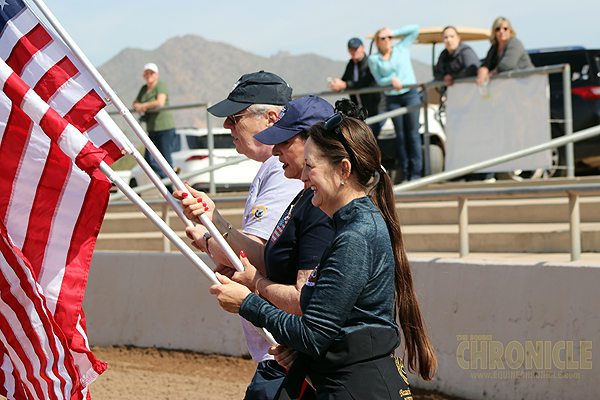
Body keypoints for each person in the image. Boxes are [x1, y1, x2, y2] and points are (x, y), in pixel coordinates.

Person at [209, 99, 437, 399]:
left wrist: (248, 302)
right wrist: (300, 351)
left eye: (311, 167)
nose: (303, 177)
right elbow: (326, 321)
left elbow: (314, 333)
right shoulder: (351, 226)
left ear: (344, 170)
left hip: (358, 388)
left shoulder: (355, 235)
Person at [177, 91, 336, 400]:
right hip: (290, 352)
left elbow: (304, 300)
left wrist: (253, 285)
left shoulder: (315, 206)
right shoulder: (306, 199)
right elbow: (266, 258)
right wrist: (216, 222)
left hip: (298, 358)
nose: (276, 150)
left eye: (286, 142)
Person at [368, 25, 423, 182]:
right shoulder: (374, 59)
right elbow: (379, 80)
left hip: (410, 94)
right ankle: (406, 174)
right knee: (401, 136)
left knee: (413, 134)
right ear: (377, 41)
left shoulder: (402, 48)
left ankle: (416, 174)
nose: (386, 41)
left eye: (389, 38)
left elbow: (415, 29)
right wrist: (390, 80)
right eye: (382, 38)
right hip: (393, 98)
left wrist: (394, 32)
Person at [329, 37, 384, 137]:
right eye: (351, 49)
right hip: (360, 111)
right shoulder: (350, 64)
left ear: (363, 48)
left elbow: (366, 81)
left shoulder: (370, 62)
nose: (353, 51)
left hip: (375, 109)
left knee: (371, 138)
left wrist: (345, 84)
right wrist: (337, 84)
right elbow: (346, 80)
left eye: (356, 48)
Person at [133, 62, 177, 179]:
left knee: (166, 160)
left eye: (151, 73)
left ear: (157, 75)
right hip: (152, 129)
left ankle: (173, 185)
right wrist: (141, 106)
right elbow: (135, 103)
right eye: (146, 73)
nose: (149, 75)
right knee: (149, 160)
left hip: (165, 129)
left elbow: (160, 102)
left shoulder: (160, 86)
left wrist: (143, 106)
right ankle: (169, 181)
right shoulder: (144, 89)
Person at [476, 17, 534, 86]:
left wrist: (490, 73)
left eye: (505, 28)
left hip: (526, 84)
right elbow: (485, 64)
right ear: (494, 32)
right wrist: (483, 71)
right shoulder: (494, 48)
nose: (501, 31)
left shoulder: (515, 43)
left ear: (510, 30)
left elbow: (506, 65)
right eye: (498, 29)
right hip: (510, 88)